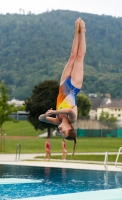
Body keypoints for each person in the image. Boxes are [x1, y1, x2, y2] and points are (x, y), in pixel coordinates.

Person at [39, 18, 86, 155]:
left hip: (62, 84)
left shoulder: (57, 120)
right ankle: (82, 31)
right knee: (79, 57)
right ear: (69, 128)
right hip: (73, 87)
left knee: (72, 56)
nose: (61, 132)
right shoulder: (72, 119)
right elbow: (71, 111)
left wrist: (46, 115)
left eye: (62, 133)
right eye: (64, 132)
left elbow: (40, 119)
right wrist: (54, 112)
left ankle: (75, 31)